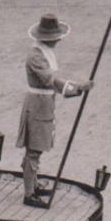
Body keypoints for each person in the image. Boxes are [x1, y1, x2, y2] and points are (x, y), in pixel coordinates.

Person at [17, 13, 92, 206]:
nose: (57, 40)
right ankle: (28, 193)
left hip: (45, 102)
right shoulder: (35, 56)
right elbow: (51, 79)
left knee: (38, 146)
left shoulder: (44, 51)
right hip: (37, 104)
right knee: (34, 148)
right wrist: (76, 87)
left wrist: (76, 87)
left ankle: (33, 185)